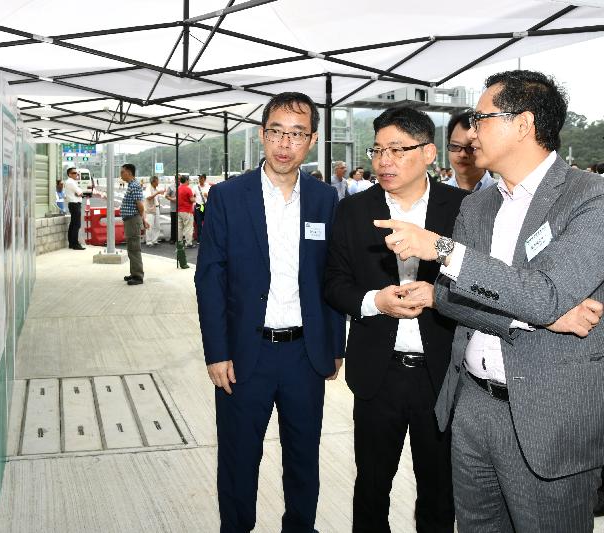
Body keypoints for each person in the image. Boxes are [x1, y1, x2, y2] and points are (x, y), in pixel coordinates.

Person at [373, 70, 604, 532]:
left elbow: (544, 294)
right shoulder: (477, 205)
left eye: (482, 118)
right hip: (472, 404)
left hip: (546, 418)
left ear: (523, 124)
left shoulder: (589, 198)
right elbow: (453, 301)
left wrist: (441, 250)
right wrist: (534, 319)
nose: (471, 131)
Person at [195, 91, 345, 533]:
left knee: (304, 459)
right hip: (245, 354)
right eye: (276, 132)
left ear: (312, 141)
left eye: (296, 134)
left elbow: (331, 277)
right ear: (262, 135)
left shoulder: (324, 199)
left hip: (304, 354)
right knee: (239, 460)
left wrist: (334, 345)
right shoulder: (227, 196)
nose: (284, 143)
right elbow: (210, 278)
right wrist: (216, 352)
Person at [324, 107, 467, 533]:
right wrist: (374, 301)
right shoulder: (352, 210)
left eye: (397, 149)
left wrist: (440, 298)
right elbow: (334, 283)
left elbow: (483, 281)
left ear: (427, 152)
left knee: (439, 490)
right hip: (378, 373)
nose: (384, 160)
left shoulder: (464, 209)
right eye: (378, 150)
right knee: (371, 486)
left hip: (441, 374)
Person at [444, 110, 496, 192]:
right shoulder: (434, 195)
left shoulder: (503, 197)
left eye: (471, 148)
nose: (462, 154)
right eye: (455, 146)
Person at [119, 164, 148, 285]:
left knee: (134, 248)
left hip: (132, 220)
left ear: (129, 173)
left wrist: (142, 220)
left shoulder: (134, 186)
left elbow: (140, 205)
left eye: (122, 172)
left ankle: (138, 276)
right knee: (131, 247)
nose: (121, 175)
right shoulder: (132, 185)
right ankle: (134, 273)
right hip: (130, 220)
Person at [65, 167, 84, 249]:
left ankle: (72, 243)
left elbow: (79, 193)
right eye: (74, 173)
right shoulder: (71, 182)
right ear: (69, 174)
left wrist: (78, 193)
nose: (76, 174)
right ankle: (75, 244)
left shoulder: (71, 182)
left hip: (73, 204)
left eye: (76, 173)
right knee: (76, 225)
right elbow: (80, 193)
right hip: (75, 204)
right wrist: (79, 193)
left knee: (73, 224)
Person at [144, 175, 163, 246]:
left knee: (157, 225)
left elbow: (157, 199)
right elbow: (148, 197)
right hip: (150, 209)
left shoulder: (156, 189)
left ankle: (155, 240)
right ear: (153, 182)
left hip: (157, 208)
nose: (158, 182)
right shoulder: (148, 188)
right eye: (157, 181)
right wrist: (157, 193)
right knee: (150, 225)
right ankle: (149, 241)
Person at [176, 175, 196, 247]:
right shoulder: (188, 189)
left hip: (179, 210)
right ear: (186, 180)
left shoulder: (178, 188)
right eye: (189, 180)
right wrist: (195, 198)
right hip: (187, 210)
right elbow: (192, 200)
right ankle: (188, 243)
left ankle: (179, 242)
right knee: (188, 227)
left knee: (180, 228)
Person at [193, 174, 210, 244]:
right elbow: (192, 196)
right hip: (198, 206)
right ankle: (199, 239)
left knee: (207, 222)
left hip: (205, 206)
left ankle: (206, 238)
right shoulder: (195, 187)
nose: (200, 180)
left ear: (205, 179)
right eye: (199, 179)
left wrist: (208, 195)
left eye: (202, 179)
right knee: (199, 223)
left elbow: (212, 196)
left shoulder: (208, 187)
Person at [165, 179, 178, 243]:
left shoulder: (183, 186)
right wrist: (172, 199)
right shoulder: (171, 187)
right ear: (175, 179)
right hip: (173, 209)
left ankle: (180, 239)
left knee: (181, 225)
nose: (179, 180)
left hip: (181, 209)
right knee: (173, 224)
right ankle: (173, 239)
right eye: (177, 179)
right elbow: (166, 196)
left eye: (179, 179)